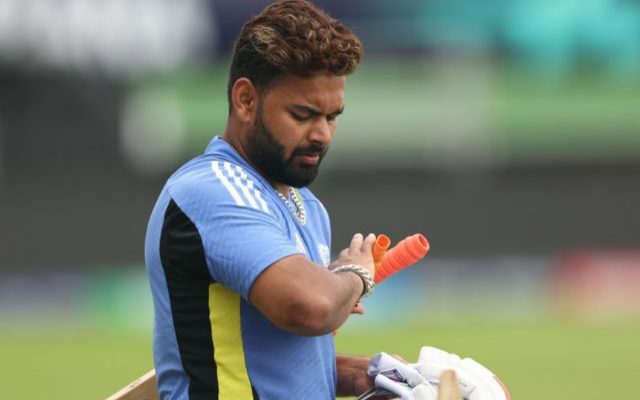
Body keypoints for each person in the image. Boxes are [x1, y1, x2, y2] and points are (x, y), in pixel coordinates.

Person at [145, 1, 378, 399]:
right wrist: (356, 276)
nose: (322, 134)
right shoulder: (214, 190)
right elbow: (308, 308)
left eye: (332, 116)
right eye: (303, 114)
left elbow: (272, 361)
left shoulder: (306, 205)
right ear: (246, 100)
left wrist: (366, 375)